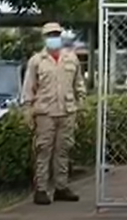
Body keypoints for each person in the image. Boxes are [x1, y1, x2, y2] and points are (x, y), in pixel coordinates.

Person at [22, 22, 85, 205]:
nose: (54, 38)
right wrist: (28, 110)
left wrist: (80, 105)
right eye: (50, 35)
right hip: (45, 113)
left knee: (63, 150)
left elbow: (79, 84)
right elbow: (29, 87)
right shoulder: (36, 61)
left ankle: (61, 187)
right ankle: (41, 189)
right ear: (44, 37)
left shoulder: (71, 59)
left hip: (67, 111)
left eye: (56, 34)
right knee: (43, 151)